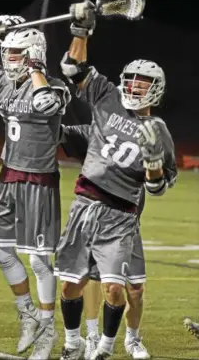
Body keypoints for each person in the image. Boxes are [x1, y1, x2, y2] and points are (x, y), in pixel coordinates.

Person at [56, 0, 177, 359]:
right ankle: (73, 342)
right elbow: (72, 67)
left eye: (145, 83)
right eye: (133, 80)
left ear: (156, 89)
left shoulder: (158, 130)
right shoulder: (107, 95)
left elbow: (157, 187)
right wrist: (81, 29)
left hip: (120, 214)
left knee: (114, 290)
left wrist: (154, 168)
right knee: (70, 285)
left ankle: (107, 348)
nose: (136, 87)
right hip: (85, 205)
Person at [0, 15, 71, 359]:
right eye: (7, 52)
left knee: (39, 260)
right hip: (8, 176)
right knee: (0, 252)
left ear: (35, 55)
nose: (8, 59)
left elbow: (46, 103)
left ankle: (48, 331)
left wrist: (36, 67)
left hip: (38, 179)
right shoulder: (3, 82)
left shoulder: (53, 85)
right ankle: (29, 316)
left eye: (17, 53)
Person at [60, 124, 150, 359]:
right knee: (89, 280)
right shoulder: (98, 132)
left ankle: (133, 339)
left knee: (136, 290)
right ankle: (91, 337)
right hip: (95, 220)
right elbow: (63, 133)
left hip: (128, 222)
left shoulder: (147, 135)